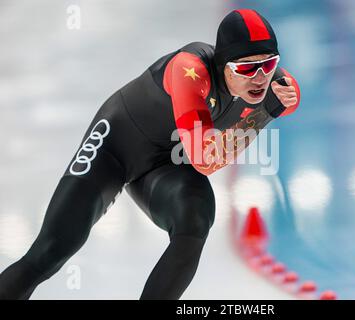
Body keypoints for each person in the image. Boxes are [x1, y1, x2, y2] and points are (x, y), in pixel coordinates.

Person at [0, 8, 300, 300]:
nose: (260, 77)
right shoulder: (190, 71)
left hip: (166, 164)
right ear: (222, 65)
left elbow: (287, 100)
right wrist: (264, 114)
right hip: (114, 148)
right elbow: (206, 160)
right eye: (246, 68)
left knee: (195, 218)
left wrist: (268, 106)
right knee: (51, 250)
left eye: (268, 64)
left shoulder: (280, 85)